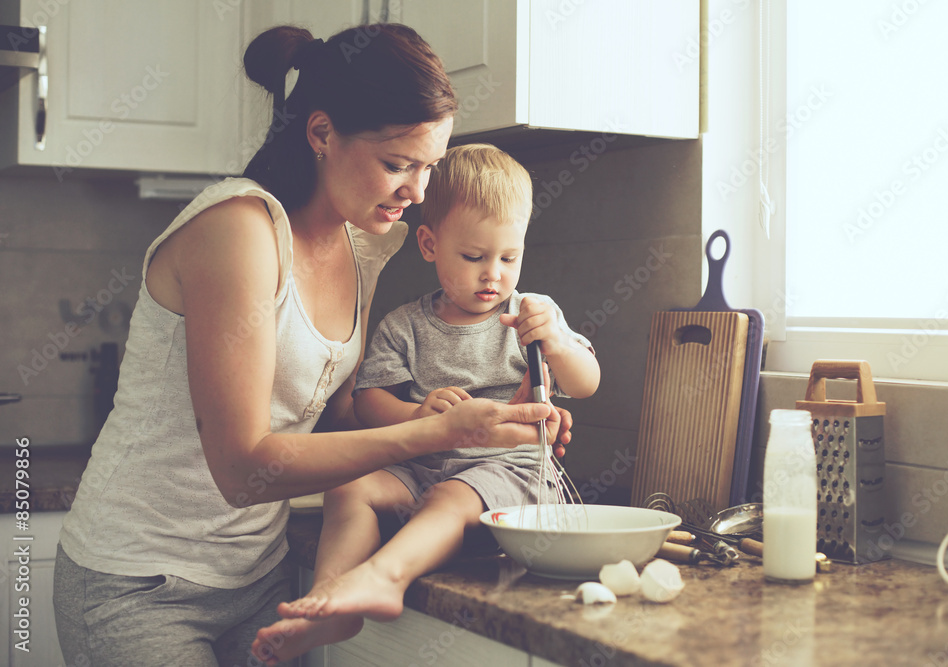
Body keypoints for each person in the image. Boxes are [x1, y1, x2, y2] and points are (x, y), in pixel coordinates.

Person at [52, 25, 565, 667]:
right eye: (397, 163)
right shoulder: (238, 230)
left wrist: (466, 423)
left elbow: (337, 417)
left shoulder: (365, 245)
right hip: (140, 581)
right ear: (321, 134)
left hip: (259, 576)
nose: (419, 192)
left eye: (429, 165)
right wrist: (432, 436)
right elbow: (242, 470)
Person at [251, 143, 601, 664]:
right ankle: (328, 599)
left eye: (509, 258)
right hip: (418, 472)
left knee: (451, 498)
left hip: (508, 477)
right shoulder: (406, 326)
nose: (494, 276)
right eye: (474, 257)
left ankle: (384, 577)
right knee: (349, 485)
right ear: (430, 244)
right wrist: (418, 417)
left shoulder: (531, 316)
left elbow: (587, 381)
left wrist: (559, 343)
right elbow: (369, 404)